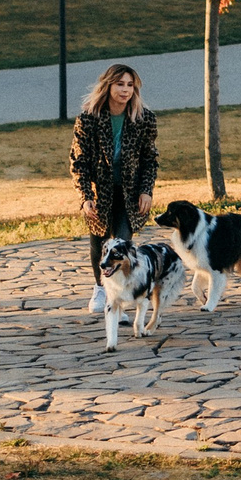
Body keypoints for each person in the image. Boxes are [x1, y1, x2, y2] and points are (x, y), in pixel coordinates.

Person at [68, 63, 157, 313]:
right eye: (120, 84)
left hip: (129, 193)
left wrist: (146, 190)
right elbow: (79, 161)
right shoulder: (88, 118)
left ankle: (117, 293)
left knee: (122, 242)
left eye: (130, 85)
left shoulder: (144, 119)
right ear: (108, 85)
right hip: (100, 191)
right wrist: (86, 197)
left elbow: (150, 158)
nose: (125, 90)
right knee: (99, 241)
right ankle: (100, 288)